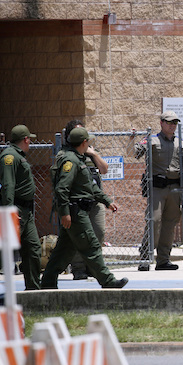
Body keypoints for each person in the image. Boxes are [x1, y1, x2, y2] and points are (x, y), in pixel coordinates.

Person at [40, 127, 128, 289]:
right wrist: (65, 213)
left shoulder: (77, 159)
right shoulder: (71, 161)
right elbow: (62, 189)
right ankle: (108, 281)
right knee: (91, 245)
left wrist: (107, 201)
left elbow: (90, 187)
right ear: (84, 142)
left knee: (63, 251)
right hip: (75, 212)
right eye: (88, 140)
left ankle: (47, 282)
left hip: (77, 210)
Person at [55, 120, 109, 280]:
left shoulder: (90, 152)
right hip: (77, 202)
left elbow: (104, 169)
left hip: (95, 200)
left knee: (98, 232)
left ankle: (93, 267)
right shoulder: (66, 156)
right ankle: (78, 268)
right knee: (78, 237)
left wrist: (93, 154)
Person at [130, 111, 183, 271]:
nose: (172, 125)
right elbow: (135, 153)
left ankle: (163, 260)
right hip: (157, 188)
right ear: (161, 123)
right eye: (168, 122)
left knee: (170, 224)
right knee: (154, 221)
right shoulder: (151, 139)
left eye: (174, 122)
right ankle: (145, 258)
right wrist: (132, 139)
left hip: (175, 188)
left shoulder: (180, 142)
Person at [0, 125, 41, 290]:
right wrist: (9, 211)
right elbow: (8, 186)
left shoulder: (18, 155)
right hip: (16, 210)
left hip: (26, 212)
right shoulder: (10, 156)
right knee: (2, 252)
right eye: (29, 139)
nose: (30, 142)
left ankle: (33, 288)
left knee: (33, 248)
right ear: (25, 139)